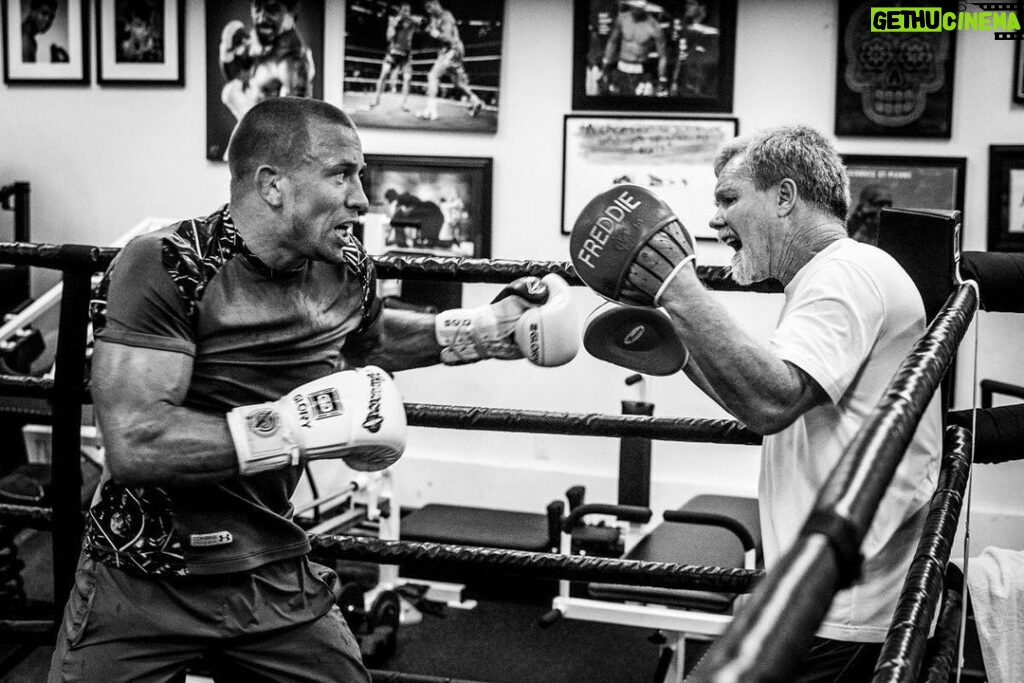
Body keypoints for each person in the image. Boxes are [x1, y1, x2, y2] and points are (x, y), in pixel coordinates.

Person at [48, 97, 578, 682]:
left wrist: (482, 329)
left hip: (268, 565)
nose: (362, 197)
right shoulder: (168, 265)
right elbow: (136, 443)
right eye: (341, 174)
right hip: (145, 575)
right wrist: (297, 428)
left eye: (361, 176)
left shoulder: (345, 263)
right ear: (273, 185)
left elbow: (368, 343)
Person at [569, 124, 942, 681]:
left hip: (842, 606)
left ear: (785, 196)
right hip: (826, 589)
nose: (716, 220)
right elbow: (759, 404)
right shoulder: (831, 276)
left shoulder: (844, 275)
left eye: (728, 199)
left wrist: (677, 286)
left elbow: (774, 400)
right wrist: (675, 340)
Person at [219, 0, 316, 121]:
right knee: (230, 91)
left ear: (291, 13)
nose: (262, 18)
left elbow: (292, 125)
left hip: (269, 135)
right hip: (253, 131)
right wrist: (227, 52)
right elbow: (237, 77)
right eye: (258, 8)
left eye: (272, 8)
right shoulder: (261, 41)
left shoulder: (293, 60)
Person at [416, 0, 487, 121]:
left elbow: (448, 38)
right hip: (450, 51)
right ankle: (476, 101)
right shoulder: (433, 18)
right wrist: (426, 29)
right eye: (426, 8)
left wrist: (436, 34)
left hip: (453, 50)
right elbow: (430, 31)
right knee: (457, 83)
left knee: (432, 76)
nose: (428, 10)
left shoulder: (446, 16)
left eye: (430, 6)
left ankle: (430, 111)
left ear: (437, 4)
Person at [601, 0, 668, 97]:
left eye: (638, 8)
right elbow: (612, 42)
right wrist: (605, 64)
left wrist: (662, 79)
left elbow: (663, 56)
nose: (635, 10)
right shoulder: (622, 19)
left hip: (641, 72)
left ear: (644, 8)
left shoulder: (654, 26)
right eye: (633, 7)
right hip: (621, 70)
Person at [368, 2, 419, 111]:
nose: (406, 13)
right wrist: (395, 25)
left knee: (407, 78)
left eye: (408, 10)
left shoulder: (413, 22)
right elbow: (388, 37)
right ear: (400, 11)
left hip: (406, 54)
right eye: (404, 10)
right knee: (384, 74)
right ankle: (376, 100)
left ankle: (404, 104)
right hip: (393, 52)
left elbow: (423, 23)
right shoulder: (393, 20)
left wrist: (412, 19)